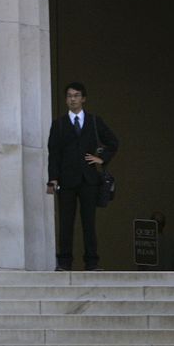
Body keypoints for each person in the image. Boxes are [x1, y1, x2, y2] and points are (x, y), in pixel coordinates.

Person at [47, 81, 119, 271]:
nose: (73, 99)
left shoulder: (95, 121)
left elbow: (113, 142)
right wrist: (53, 178)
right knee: (66, 222)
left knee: (89, 222)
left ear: (83, 98)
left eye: (76, 95)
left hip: (89, 180)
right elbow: (53, 153)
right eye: (69, 96)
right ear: (66, 99)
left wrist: (101, 158)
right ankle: (64, 262)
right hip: (66, 179)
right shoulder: (59, 124)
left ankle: (92, 262)